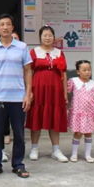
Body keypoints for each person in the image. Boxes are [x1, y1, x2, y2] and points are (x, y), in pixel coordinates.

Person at [0, 14, 32, 179]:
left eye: (8, 24)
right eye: (2, 25)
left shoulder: (22, 47)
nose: (5, 27)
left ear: (12, 27)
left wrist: (28, 94)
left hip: (18, 97)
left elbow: (28, 71)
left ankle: (18, 164)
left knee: (19, 133)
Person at [26, 26, 69, 163]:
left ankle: (56, 150)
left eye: (50, 35)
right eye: (45, 35)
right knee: (36, 117)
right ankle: (34, 148)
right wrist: (29, 91)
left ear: (54, 37)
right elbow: (28, 72)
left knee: (54, 118)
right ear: (40, 37)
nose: (48, 38)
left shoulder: (59, 53)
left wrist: (65, 92)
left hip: (55, 90)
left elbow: (64, 73)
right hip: (38, 88)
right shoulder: (34, 52)